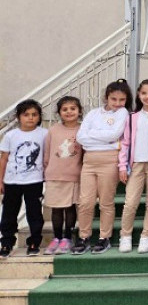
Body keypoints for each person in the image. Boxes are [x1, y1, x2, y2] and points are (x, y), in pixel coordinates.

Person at [74, 79, 132, 255]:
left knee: (106, 201)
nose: (117, 103)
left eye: (122, 100)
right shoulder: (93, 114)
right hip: (89, 161)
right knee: (85, 202)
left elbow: (115, 134)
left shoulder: (123, 113)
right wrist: (104, 138)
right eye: (113, 99)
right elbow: (80, 137)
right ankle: (84, 236)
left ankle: (104, 237)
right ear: (106, 97)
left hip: (109, 160)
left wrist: (93, 135)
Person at [118, 79, 148, 254]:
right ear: (139, 95)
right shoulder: (132, 117)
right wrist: (122, 166)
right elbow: (125, 143)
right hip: (136, 164)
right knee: (130, 202)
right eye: (144, 93)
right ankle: (125, 235)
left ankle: (146, 236)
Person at [0, 100, 48, 257]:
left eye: (34, 114)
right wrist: (1, 180)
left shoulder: (44, 134)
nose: (30, 118)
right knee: (9, 213)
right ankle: (6, 243)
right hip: (12, 181)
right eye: (26, 114)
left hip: (34, 180)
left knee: (34, 213)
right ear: (18, 117)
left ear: (39, 116)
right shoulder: (11, 135)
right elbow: (4, 159)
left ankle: (34, 242)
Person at [42, 96, 84, 255]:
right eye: (65, 109)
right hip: (54, 175)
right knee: (56, 208)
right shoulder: (53, 130)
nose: (69, 112)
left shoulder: (83, 129)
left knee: (70, 207)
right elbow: (47, 153)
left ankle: (67, 238)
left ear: (79, 111)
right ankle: (57, 238)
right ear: (59, 112)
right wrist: (46, 170)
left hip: (73, 175)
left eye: (73, 108)